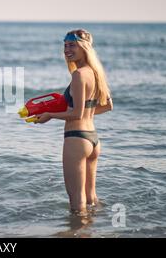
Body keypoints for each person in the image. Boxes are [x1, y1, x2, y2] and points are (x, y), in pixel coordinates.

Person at [35, 29, 113, 214]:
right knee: (91, 198)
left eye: (72, 45)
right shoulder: (96, 73)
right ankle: (94, 230)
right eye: (65, 45)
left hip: (76, 140)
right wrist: (87, 113)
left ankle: (78, 233)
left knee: (77, 204)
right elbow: (108, 106)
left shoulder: (79, 75)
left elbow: (76, 113)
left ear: (84, 47)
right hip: (93, 140)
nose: (66, 49)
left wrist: (50, 114)